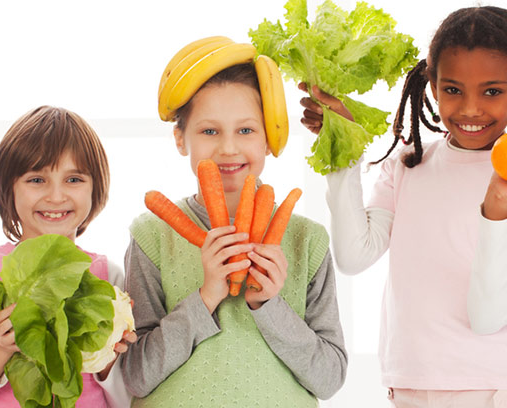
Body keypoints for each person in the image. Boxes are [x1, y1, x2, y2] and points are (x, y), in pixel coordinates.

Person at [300, 6, 507, 407]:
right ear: (431, 84)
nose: (469, 109)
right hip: (413, 392)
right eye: (453, 90)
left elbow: (488, 317)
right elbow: (353, 255)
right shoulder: (410, 163)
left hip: (503, 393)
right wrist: (343, 148)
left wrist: (497, 203)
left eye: (492, 91)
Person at [120, 39, 347, 407]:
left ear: (271, 137)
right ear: (181, 139)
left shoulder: (308, 240)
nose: (228, 148)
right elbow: (136, 375)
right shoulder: (152, 235)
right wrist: (207, 295)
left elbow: (330, 378)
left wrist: (269, 305)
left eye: (246, 131)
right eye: (209, 131)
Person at [0, 106, 134, 407]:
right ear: (9, 189)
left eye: (74, 180)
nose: (56, 196)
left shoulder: (109, 276)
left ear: (96, 188)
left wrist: (107, 358)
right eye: (36, 180)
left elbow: (127, 402)